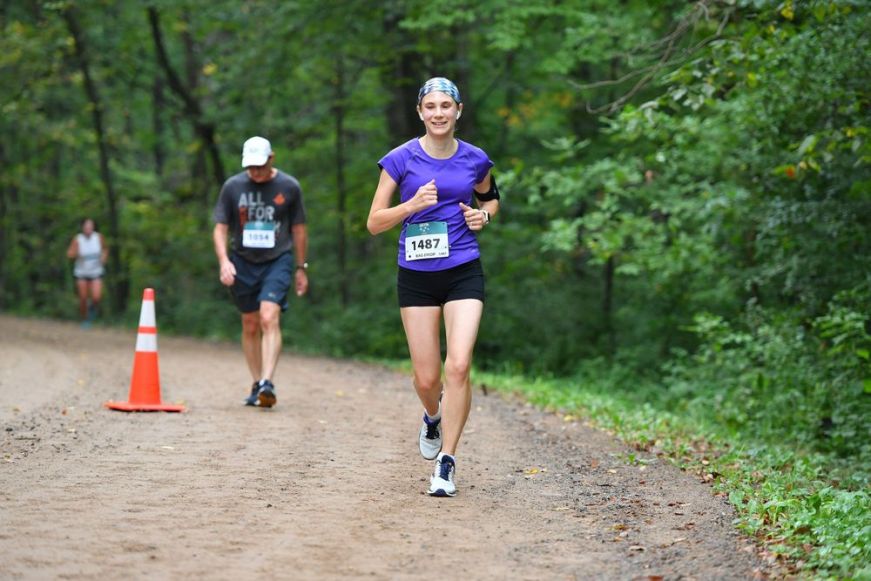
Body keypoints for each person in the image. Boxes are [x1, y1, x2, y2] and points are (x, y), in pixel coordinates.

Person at [367, 77, 501, 497]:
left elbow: (490, 197)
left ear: (459, 111)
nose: (439, 113)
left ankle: (447, 461)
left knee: (458, 365)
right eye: (431, 106)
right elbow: (374, 222)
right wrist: (411, 205)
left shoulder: (475, 159)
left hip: (463, 268)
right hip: (417, 275)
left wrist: (486, 217)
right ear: (420, 113)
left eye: (446, 105)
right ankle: (431, 415)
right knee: (428, 379)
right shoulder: (400, 159)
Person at [213, 136, 309, 408]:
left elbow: (299, 229)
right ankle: (257, 383)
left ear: (271, 158)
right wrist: (223, 261)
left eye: (260, 166)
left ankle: (268, 381)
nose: (255, 172)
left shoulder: (289, 187)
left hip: (277, 258)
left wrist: (301, 267)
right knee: (250, 323)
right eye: (250, 167)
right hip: (242, 261)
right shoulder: (233, 187)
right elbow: (220, 227)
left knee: (269, 316)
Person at [66, 217, 108, 326]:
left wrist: (103, 258)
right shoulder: (78, 239)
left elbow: (105, 249)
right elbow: (69, 254)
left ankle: (91, 311)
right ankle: (85, 319)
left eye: (91, 226)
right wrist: (76, 253)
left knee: (96, 297)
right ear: (83, 227)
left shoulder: (98, 238)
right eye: (86, 226)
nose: (88, 228)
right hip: (82, 273)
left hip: (96, 272)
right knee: (83, 297)